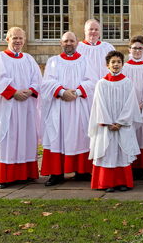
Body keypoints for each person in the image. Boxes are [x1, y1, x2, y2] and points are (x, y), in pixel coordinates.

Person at [0, 27, 41, 189]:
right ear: (7, 39)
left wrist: (31, 90)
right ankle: (4, 176)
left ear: (24, 40)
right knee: (6, 138)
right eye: (14, 38)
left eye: (20, 38)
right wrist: (13, 92)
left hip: (26, 107)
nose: (17, 41)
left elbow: (37, 78)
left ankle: (24, 174)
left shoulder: (28, 59)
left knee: (25, 138)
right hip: (6, 106)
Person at [40, 31, 95, 187]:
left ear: (77, 43)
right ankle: (56, 173)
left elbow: (92, 81)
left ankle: (82, 171)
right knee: (57, 136)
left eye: (72, 41)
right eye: (66, 41)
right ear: (61, 43)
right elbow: (47, 82)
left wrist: (76, 92)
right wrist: (62, 92)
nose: (69, 44)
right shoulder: (53, 61)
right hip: (59, 107)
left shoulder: (85, 61)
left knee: (81, 136)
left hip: (79, 105)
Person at [88, 51, 142, 192]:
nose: (116, 64)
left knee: (121, 151)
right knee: (108, 152)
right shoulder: (101, 83)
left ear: (122, 64)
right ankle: (107, 183)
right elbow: (99, 104)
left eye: (118, 62)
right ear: (107, 65)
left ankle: (122, 182)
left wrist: (121, 122)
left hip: (122, 125)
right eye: (113, 62)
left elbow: (130, 104)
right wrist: (107, 122)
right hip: (107, 126)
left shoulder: (127, 82)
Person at [121, 35, 143, 179]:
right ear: (129, 49)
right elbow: (122, 89)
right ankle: (132, 167)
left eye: (140, 48)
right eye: (134, 48)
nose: (137, 51)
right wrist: (133, 104)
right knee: (131, 134)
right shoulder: (124, 67)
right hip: (130, 107)